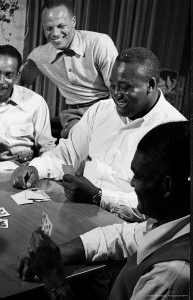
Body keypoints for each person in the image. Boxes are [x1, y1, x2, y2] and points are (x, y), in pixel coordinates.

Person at [17, 121, 190, 300]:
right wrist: (58, 253)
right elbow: (121, 237)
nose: (132, 183)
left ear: (166, 186)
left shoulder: (171, 275)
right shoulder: (174, 221)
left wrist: (55, 282)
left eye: (138, 177)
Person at [11, 47, 186, 222]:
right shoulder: (101, 110)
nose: (117, 95)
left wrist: (99, 197)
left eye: (125, 88)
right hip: (78, 210)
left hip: (127, 228)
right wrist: (36, 168)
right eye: (113, 86)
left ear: (151, 85)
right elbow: (66, 155)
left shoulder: (174, 131)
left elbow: (157, 205)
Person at [20, 0, 118, 138]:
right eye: (49, 28)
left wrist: (108, 122)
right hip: (73, 116)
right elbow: (21, 80)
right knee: (34, 133)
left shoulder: (99, 43)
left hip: (104, 110)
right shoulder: (39, 55)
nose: (55, 33)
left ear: (73, 21)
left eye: (61, 26)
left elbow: (117, 90)